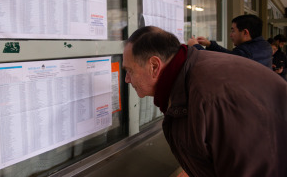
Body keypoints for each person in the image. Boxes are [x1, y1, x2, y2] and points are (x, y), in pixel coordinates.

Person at [123, 26, 287, 177]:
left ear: (154, 66)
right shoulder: (191, 74)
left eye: (130, 70)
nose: (127, 79)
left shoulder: (209, 97)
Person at [188, 14, 272, 68]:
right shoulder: (265, 46)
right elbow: (230, 55)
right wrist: (210, 44)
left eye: (233, 31)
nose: (230, 35)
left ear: (245, 32)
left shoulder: (246, 53)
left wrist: (195, 47)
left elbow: (213, 63)